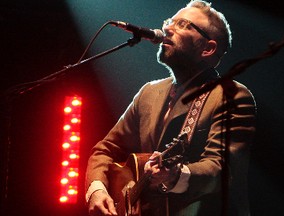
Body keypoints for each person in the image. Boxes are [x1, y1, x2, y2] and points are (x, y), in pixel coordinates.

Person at [85, 0, 256, 215]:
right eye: (170, 21)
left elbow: (222, 170)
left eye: (183, 24)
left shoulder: (230, 96)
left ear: (208, 48)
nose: (167, 28)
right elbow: (105, 150)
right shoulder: (149, 93)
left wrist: (177, 176)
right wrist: (97, 190)